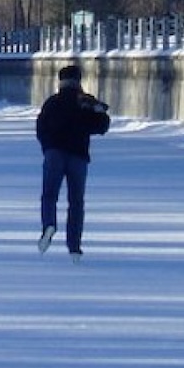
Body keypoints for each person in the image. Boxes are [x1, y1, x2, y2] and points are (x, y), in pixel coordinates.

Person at [36, 63, 111, 262]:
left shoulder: (52, 102)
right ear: (79, 81)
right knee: (76, 202)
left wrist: (47, 147)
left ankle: (49, 224)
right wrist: (98, 112)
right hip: (78, 155)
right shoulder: (85, 101)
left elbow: (40, 127)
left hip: (54, 153)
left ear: (60, 82)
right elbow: (102, 126)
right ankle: (74, 247)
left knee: (49, 195)